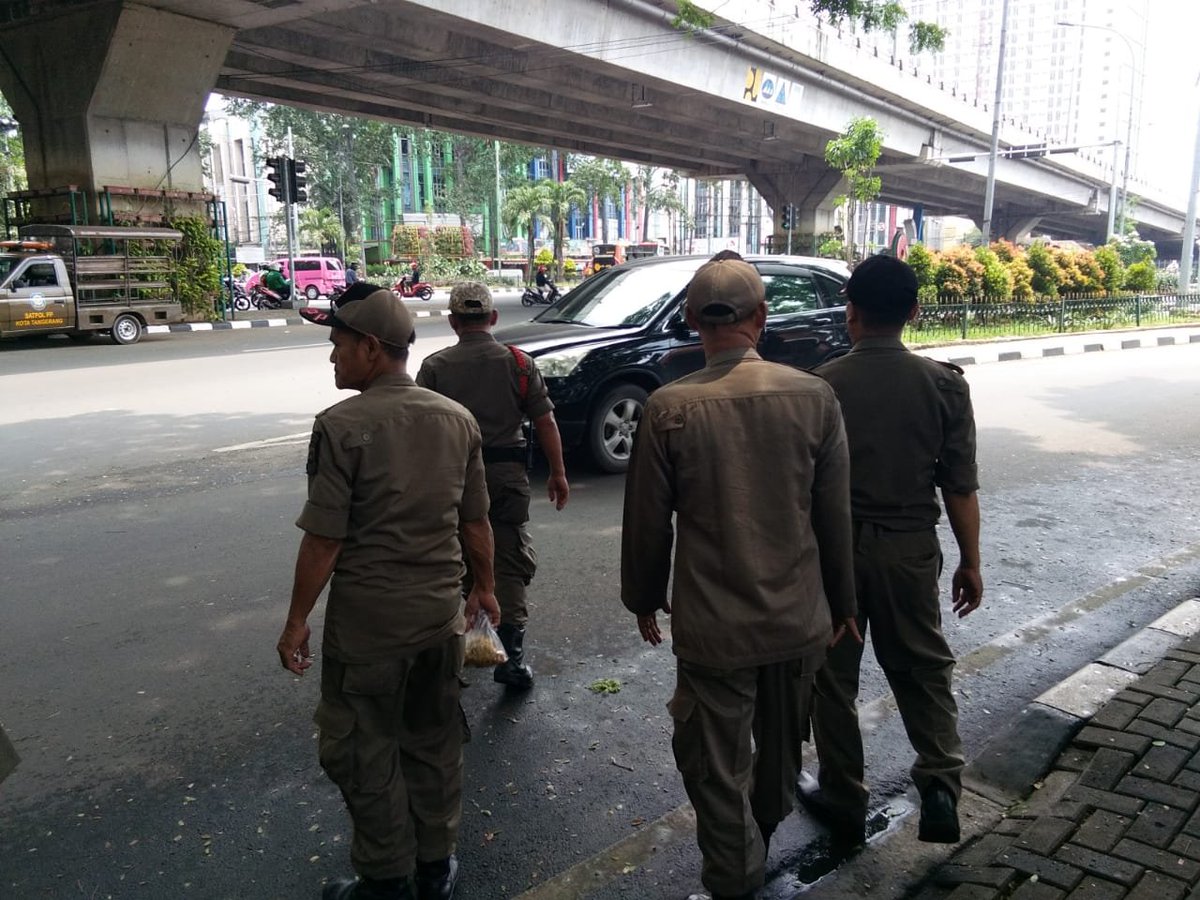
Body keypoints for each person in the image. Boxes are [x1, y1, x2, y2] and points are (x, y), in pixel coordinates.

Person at [620, 254, 858, 900]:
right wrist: (844, 605)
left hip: (714, 633)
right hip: (799, 622)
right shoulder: (815, 397)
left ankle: (736, 878)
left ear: (692, 320)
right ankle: (762, 836)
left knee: (716, 770)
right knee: (780, 759)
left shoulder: (670, 408)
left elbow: (647, 524)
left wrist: (643, 598)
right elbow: (835, 517)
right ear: (761, 317)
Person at [277, 281, 500, 900]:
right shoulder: (458, 421)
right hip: (439, 622)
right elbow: (476, 520)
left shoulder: (341, 426)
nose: (332, 357)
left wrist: (297, 621)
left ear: (371, 349)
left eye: (339, 344)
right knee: (433, 743)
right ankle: (436, 865)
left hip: (370, 633)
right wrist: (484, 589)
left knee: (364, 753)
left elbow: (325, 539)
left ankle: (385, 879)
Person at [801, 254, 982, 849]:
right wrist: (970, 561)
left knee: (834, 678)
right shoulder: (944, 385)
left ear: (850, 313)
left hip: (837, 555)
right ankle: (938, 783)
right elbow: (958, 485)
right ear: (913, 312)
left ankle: (844, 798)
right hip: (910, 551)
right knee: (922, 667)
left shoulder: (822, 385)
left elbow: (802, 488)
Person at [416, 282, 569, 690]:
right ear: (493, 317)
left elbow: (422, 433)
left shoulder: (434, 367)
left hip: (453, 480)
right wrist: (558, 473)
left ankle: (455, 658)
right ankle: (512, 660)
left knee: (454, 557)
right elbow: (546, 422)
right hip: (504, 480)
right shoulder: (519, 364)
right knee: (509, 560)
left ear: (453, 322)